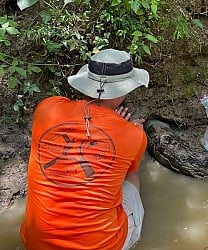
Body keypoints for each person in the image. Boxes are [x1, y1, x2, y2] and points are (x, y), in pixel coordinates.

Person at [20, 49, 149, 249]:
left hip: (36, 243)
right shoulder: (134, 135)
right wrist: (121, 127)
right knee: (132, 178)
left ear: (87, 82)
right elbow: (127, 171)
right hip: (101, 245)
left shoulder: (47, 108)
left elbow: (81, 120)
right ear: (125, 89)